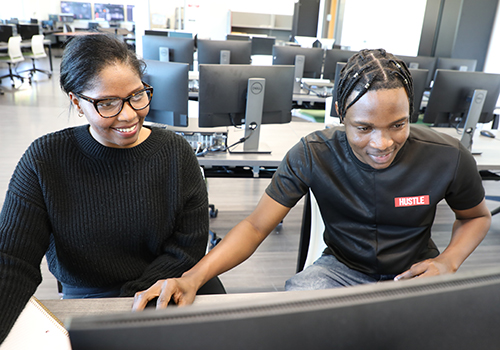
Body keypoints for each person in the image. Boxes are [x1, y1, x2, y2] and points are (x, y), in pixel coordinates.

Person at [132, 48, 491, 311]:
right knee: (294, 315)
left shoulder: (447, 156)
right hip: (340, 269)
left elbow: (475, 216)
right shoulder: (313, 153)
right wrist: (192, 277)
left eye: (398, 125)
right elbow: (256, 227)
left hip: (416, 271)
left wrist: (449, 261)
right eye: (363, 128)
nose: (382, 143)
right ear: (340, 113)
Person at [0, 34, 219, 343]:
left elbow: (189, 245)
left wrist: (134, 297)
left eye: (137, 95)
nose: (129, 115)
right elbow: (12, 259)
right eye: (107, 103)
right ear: (77, 102)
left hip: (168, 288)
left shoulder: (175, 152)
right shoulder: (45, 159)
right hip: (92, 301)